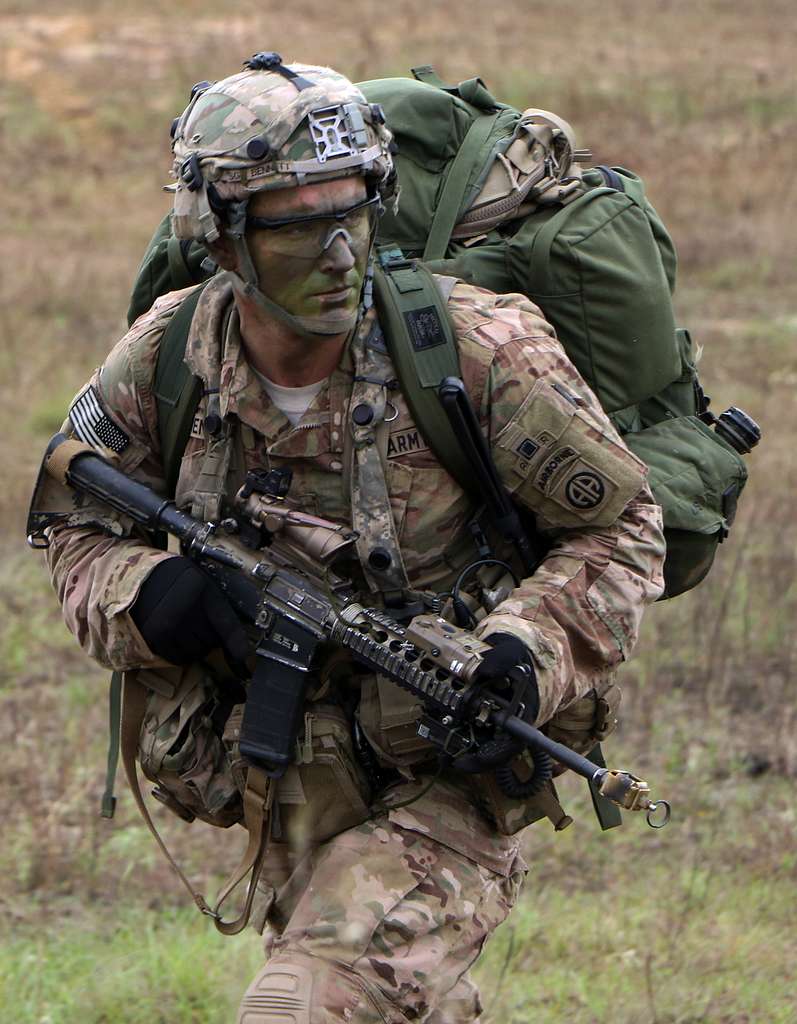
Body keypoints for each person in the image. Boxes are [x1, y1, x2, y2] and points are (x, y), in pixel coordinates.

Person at [39, 56, 665, 1023]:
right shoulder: (168, 359)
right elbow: (73, 521)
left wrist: (523, 654)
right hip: (286, 774)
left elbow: (623, 527)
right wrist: (158, 599)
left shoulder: (476, 350)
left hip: (452, 770)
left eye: (355, 215)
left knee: (302, 1004)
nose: (338, 253)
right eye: (297, 225)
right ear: (223, 237)